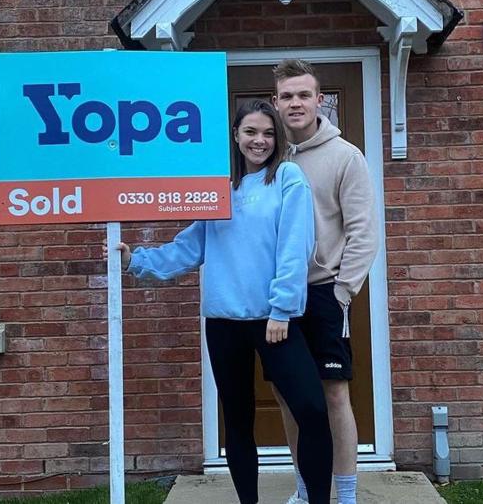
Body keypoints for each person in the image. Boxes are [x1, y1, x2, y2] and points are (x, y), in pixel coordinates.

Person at [105, 100, 333, 504]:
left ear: (277, 139)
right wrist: (135, 262)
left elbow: (294, 247)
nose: (259, 141)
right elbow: (190, 246)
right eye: (250, 132)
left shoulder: (287, 178)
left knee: (312, 411)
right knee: (238, 422)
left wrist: (281, 309)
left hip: (274, 322)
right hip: (224, 324)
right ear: (236, 136)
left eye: (267, 133)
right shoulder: (219, 188)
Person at [271, 60, 378, 504]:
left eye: (303, 95)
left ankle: (347, 494)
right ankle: (306, 489)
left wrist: (342, 292)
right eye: (286, 96)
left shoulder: (345, 156)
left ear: (320, 100)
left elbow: (364, 231)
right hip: (278, 298)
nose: (295, 103)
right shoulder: (267, 158)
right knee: (289, 398)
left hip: (324, 293)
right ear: (275, 103)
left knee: (335, 395)